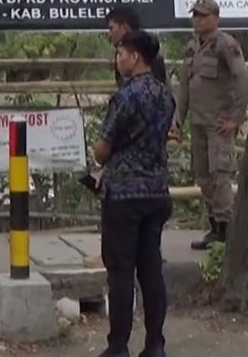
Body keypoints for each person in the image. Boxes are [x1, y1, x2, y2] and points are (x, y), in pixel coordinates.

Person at [93, 31, 174, 357]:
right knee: (151, 269)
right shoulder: (165, 95)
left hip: (124, 195)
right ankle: (155, 343)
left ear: (135, 57)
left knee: (121, 272)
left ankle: (118, 346)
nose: (118, 60)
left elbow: (102, 149)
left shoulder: (125, 97)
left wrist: (99, 155)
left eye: (120, 54)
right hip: (156, 191)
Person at [175, 0, 248, 250]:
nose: (197, 19)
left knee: (220, 177)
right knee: (203, 177)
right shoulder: (192, 47)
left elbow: (242, 80)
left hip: (218, 123)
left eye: (203, 15)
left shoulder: (225, 44)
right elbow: (185, 87)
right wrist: (177, 120)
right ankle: (215, 227)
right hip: (197, 122)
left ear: (215, 18)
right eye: (195, 14)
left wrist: (236, 118)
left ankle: (228, 230)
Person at [105, 6, 168, 86]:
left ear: (124, 27)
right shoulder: (120, 56)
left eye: (111, 28)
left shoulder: (151, 54)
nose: (109, 34)